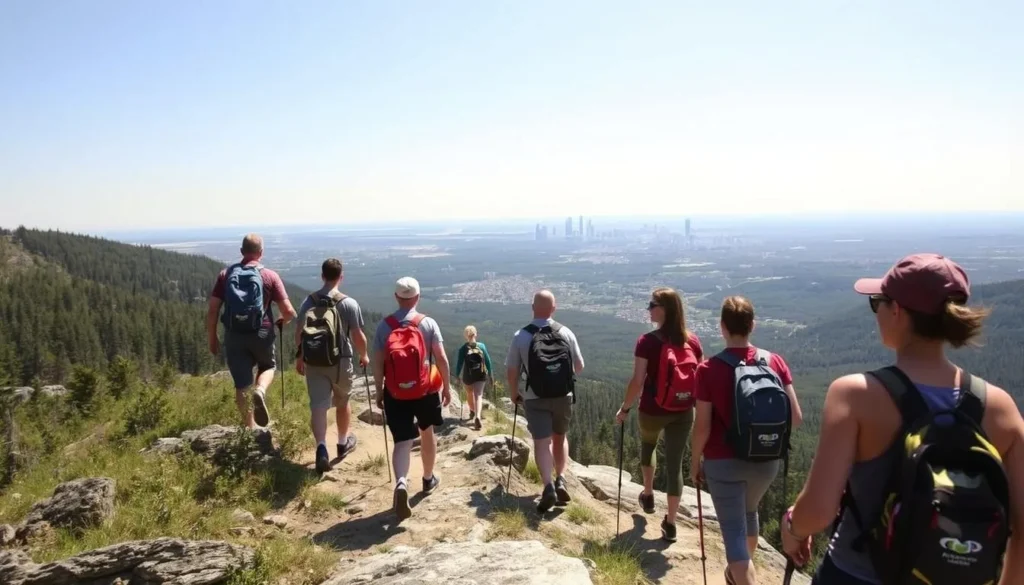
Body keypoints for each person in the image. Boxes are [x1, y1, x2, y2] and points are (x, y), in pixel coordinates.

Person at [781, 253, 1024, 585]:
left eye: (877, 303)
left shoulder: (854, 395)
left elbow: (820, 510)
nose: (876, 312)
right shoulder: (1002, 408)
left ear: (896, 311)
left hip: (857, 575)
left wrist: (793, 527)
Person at [690, 295, 803, 585]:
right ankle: (741, 572)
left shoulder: (708, 369)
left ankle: (741, 573)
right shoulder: (774, 361)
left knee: (734, 540)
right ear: (752, 325)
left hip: (723, 463)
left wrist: (694, 462)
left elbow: (702, 426)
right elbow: (797, 417)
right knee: (749, 512)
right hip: (767, 461)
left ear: (722, 327)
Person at [615, 287, 703, 542]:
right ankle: (672, 523)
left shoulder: (647, 341)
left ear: (664, 309)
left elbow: (637, 381)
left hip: (653, 409)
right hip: (684, 410)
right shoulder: (693, 341)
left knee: (648, 444)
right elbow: (702, 378)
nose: (648, 308)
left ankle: (649, 493)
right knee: (675, 464)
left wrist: (625, 408)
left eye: (652, 304)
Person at [372, 276, 452, 521]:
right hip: (425, 390)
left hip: (396, 392)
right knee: (427, 432)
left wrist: (379, 389)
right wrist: (446, 387)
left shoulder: (385, 326)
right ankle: (428, 479)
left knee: (402, 442)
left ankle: (401, 483)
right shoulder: (427, 324)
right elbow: (441, 358)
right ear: (417, 297)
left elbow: (378, 362)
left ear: (397, 297)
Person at [505, 289, 585, 513]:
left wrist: (514, 392)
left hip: (535, 397)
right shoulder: (566, 332)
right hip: (563, 396)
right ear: (554, 308)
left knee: (541, 442)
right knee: (560, 438)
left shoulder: (521, 336)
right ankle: (561, 478)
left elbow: (511, 371)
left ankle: (548, 486)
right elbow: (579, 367)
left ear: (533, 308)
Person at [207, 233, 297, 429]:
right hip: (262, 332)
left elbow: (213, 309)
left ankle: (250, 428)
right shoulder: (270, 276)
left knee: (241, 384)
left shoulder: (226, 275)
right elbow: (289, 312)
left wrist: (212, 338)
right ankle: (261, 391)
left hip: (234, 335)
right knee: (268, 367)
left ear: (241, 252)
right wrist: (282, 321)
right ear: (261, 253)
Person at [294, 258, 369, 475]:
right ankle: (343, 442)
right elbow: (357, 335)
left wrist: (300, 356)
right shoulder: (348, 303)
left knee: (318, 405)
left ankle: (321, 448)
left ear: (322, 276)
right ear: (340, 277)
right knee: (343, 400)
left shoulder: (309, 301)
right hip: (340, 361)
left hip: (314, 361)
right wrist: (364, 355)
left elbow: (299, 332)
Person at [455, 325, 494, 431]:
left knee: (469, 393)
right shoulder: (482, 346)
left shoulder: (463, 349)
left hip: (468, 376)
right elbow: (488, 361)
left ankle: (472, 411)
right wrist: (491, 375)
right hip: (480, 374)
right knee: (478, 395)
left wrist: (457, 376)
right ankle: (477, 416)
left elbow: (459, 364)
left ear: (465, 336)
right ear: (475, 334)